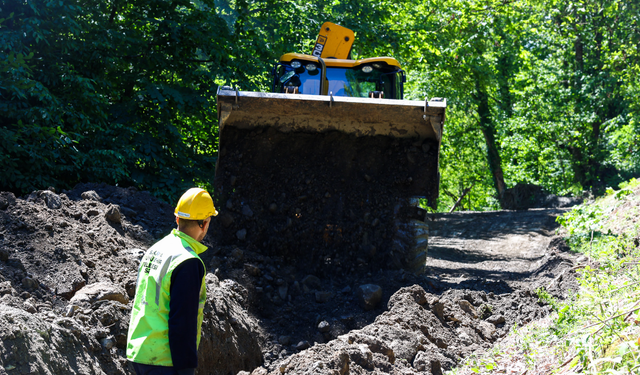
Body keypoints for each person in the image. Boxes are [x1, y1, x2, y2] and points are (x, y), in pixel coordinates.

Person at [127, 187, 218, 375]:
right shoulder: (188, 261)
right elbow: (182, 320)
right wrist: (186, 368)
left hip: (139, 353)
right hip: (164, 360)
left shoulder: (155, 249)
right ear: (205, 223)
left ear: (177, 219)